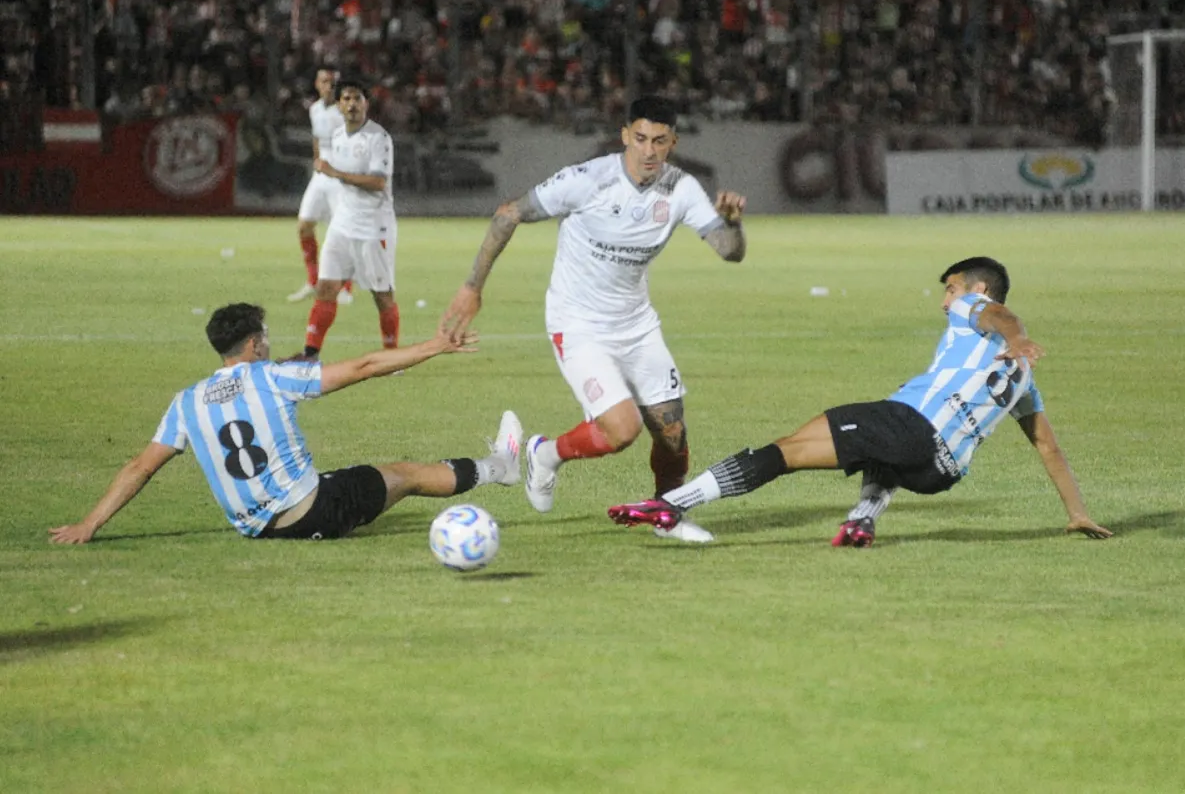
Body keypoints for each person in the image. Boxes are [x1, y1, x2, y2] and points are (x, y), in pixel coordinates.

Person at [609, 257, 1112, 545]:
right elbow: (1048, 447)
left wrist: (1018, 334)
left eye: (951, 289)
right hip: (942, 472)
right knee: (883, 449)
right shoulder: (1023, 379)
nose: (945, 300)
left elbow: (1002, 318)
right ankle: (861, 521)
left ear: (976, 290)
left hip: (914, 428)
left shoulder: (975, 308)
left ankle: (670, 504)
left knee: (788, 450)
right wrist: (1077, 512)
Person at [440, 96, 748, 537]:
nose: (648, 151)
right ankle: (545, 454)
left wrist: (732, 224)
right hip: (578, 323)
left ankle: (665, 515)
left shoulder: (680, 189)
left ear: (673, 143)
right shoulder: (588, 180)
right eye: (639, 138)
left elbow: (728, 252)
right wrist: (472, 287)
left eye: (659, 141)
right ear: (625, 136)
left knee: (673, 435)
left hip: (636, 324)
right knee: (622, 430)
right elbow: (508, 214)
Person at [49, 303, 523, 543]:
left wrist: (89, 524)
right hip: (313, 511)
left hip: (258, 529)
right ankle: (500, 466)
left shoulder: (187, 402)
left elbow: (139, 467)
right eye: (266, 337)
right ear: (253, 344)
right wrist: (434, 346)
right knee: (404, 475)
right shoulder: (271, 377)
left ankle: (497, 466)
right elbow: (361, 368)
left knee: (364, 479)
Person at [296, 79, 399, 361]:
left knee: (382, 295)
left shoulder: (379, 138)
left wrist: (335, 173)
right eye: (347, 99)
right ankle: (310, 354)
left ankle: (391, 357)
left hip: (373, 226)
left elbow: (378, 182)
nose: (352, 104)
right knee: (327, 287)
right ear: (339, 105)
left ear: (366, 103)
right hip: (343, 224)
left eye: (357, 98)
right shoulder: (339, 136)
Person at [287, 67, 353, 306]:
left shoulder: (345, 108)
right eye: (324, 81)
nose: (329, 86)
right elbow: (317, 138)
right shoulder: (314, 109)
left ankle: (346, 287)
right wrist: (317, 160)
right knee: (304, 225)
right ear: (316, 84)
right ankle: (313, 282)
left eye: (332, 82)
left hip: (340, 176)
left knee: (342, 232)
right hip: (321, 176)